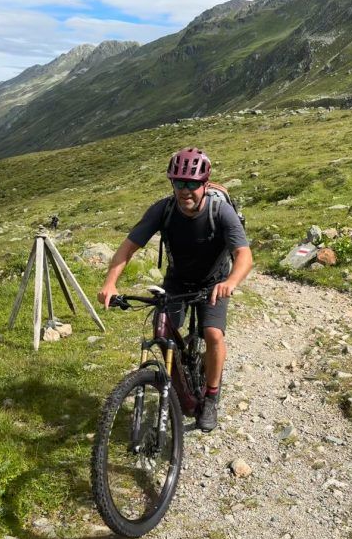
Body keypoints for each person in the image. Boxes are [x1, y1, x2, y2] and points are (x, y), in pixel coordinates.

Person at [97, 147, 253, 431]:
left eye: (192, 183)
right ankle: (179, 376)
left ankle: (211, 397)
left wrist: (230, 282)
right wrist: (110, 283)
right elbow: (128, 248)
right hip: (177, 281)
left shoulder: (221, 211)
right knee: (162, 330)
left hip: (213, 283)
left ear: (204, 184)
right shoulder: (163, 209)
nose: (185, 190)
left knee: (213, 333)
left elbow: (244, 255)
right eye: (179, 183)